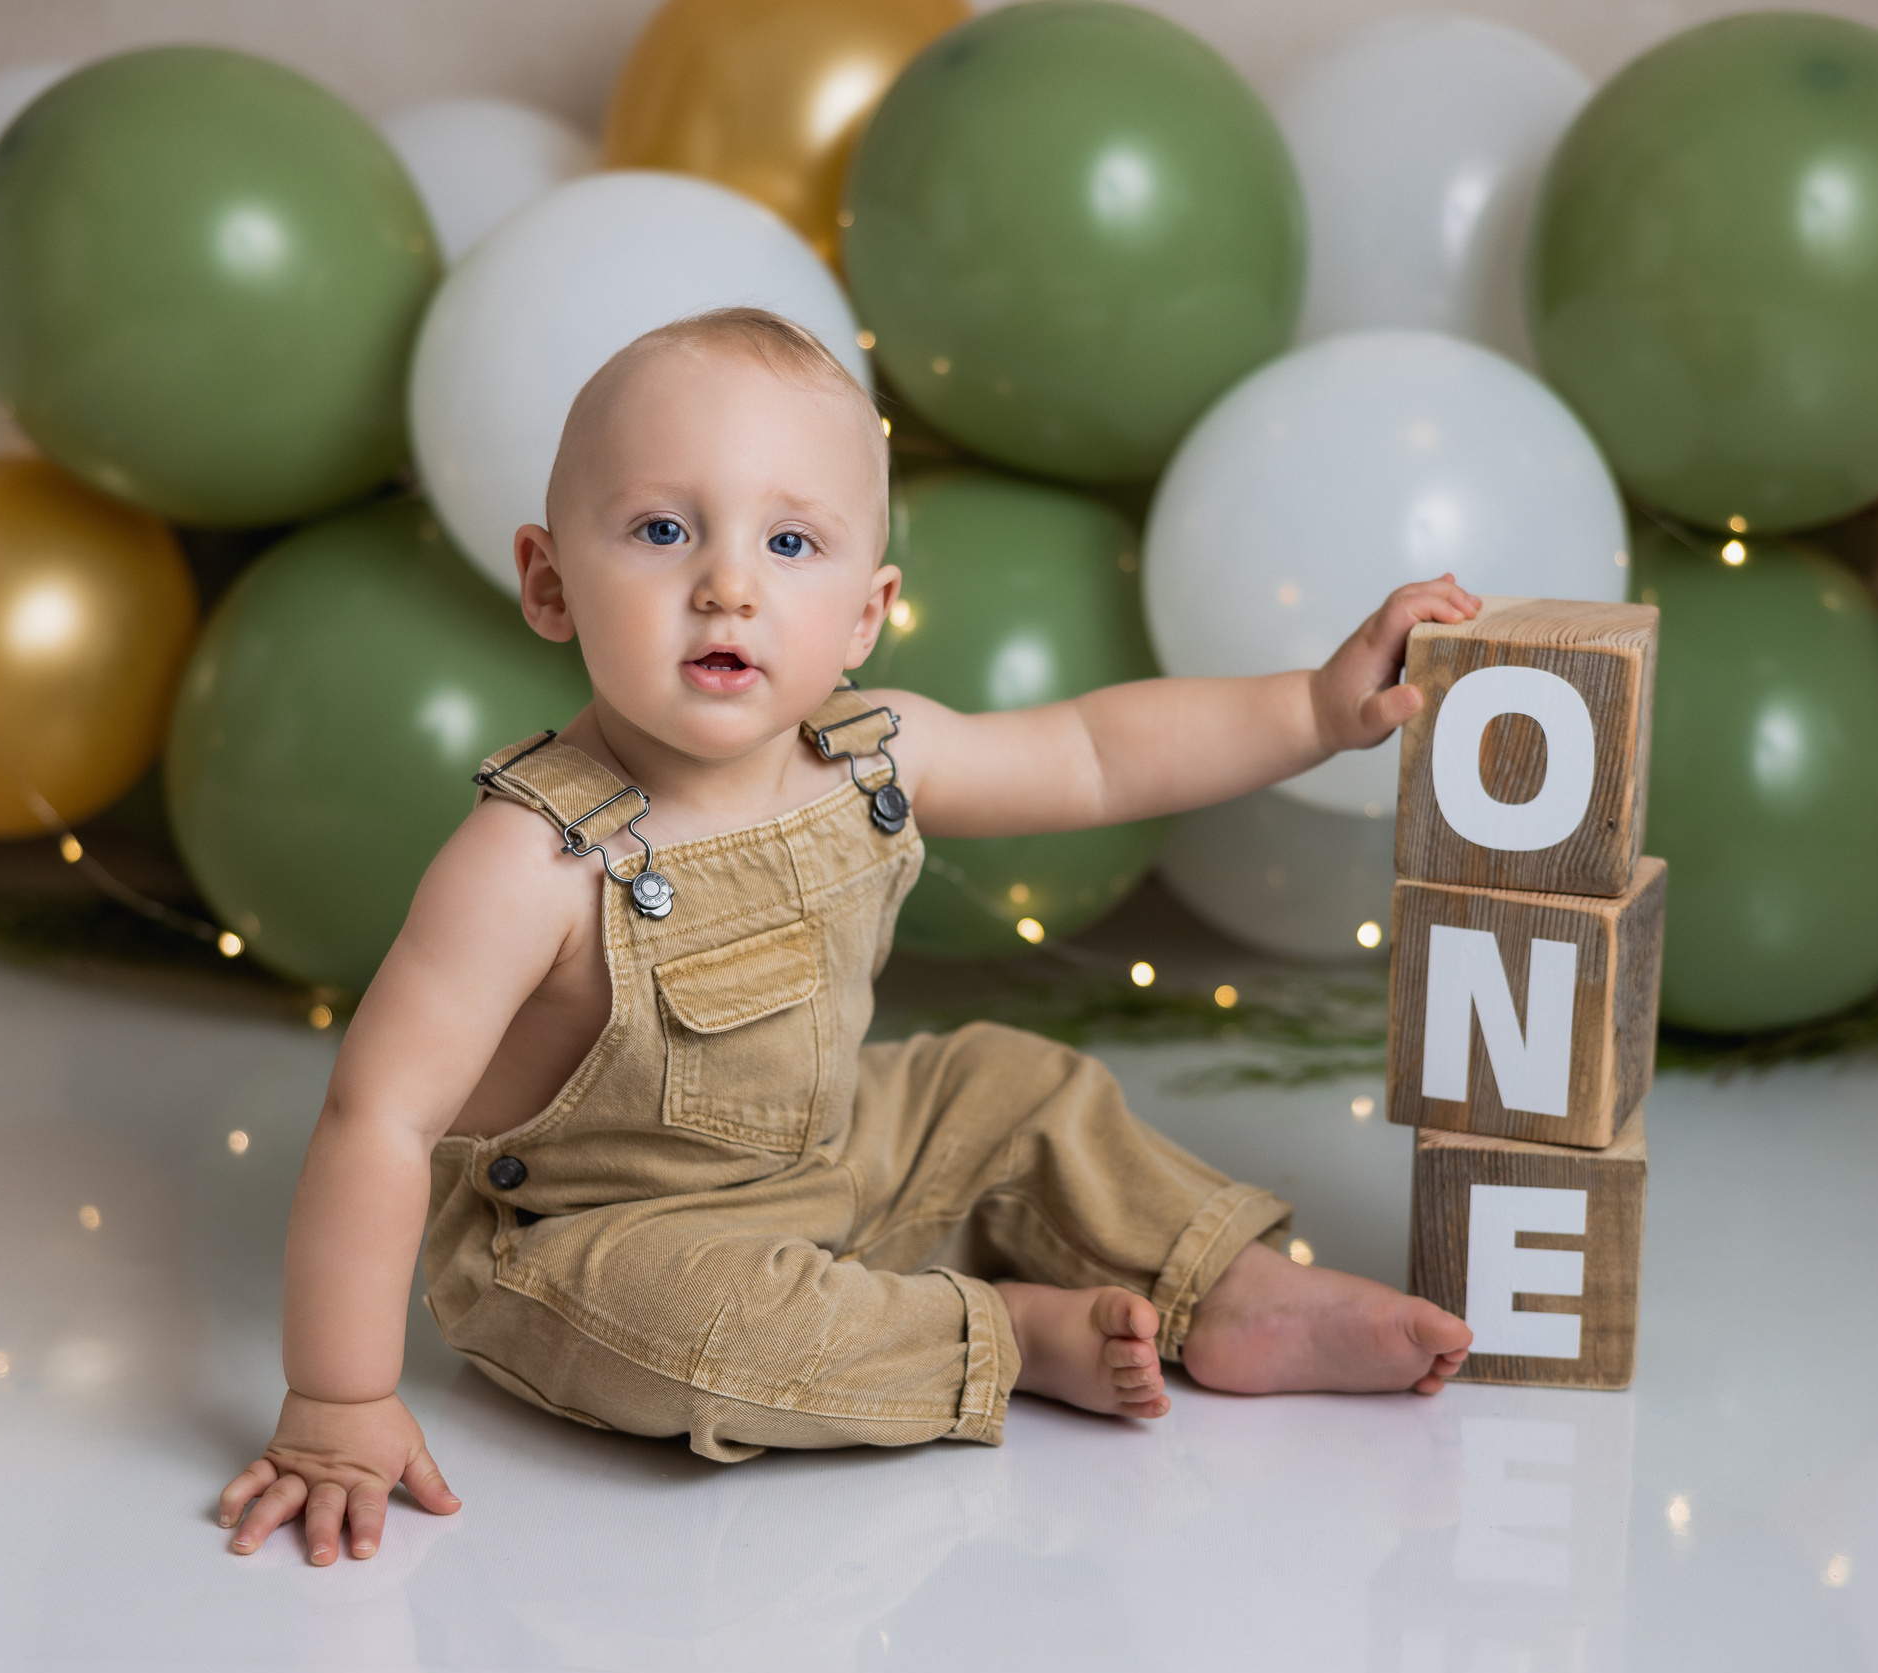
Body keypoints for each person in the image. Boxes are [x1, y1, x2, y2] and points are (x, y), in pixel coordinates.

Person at [218, 308, 1481, 1566]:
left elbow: (1095, 754)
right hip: (593, 1238)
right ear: (550, 583)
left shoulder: (871, 750)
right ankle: (997, 1335)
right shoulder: (528, 859)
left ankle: (1230, 1292)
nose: (728, 582)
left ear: (867, 611)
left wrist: (1316, 707)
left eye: (789, 539)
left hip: (834, 1160)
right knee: (701, 1341)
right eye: (662, 529)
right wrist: (337, 1401)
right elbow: (376, 1119)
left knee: (1012, 1085)